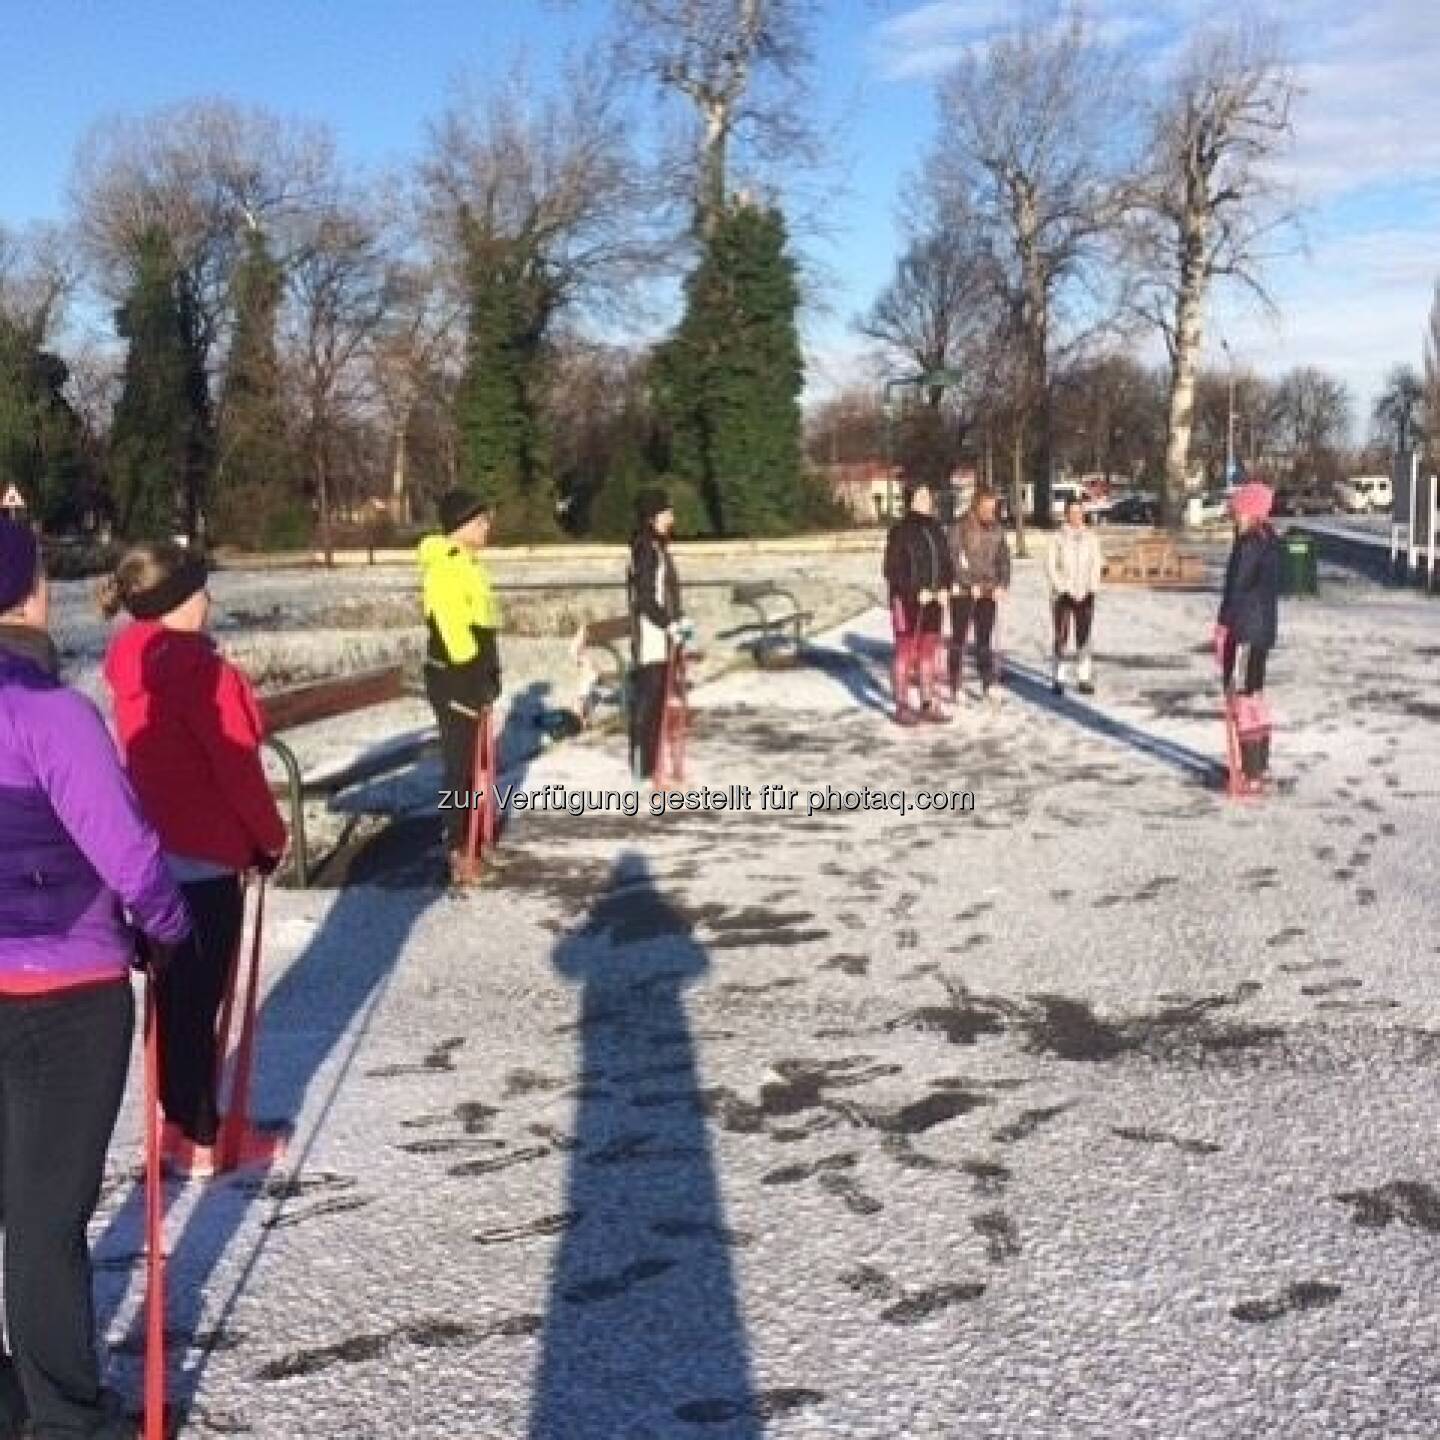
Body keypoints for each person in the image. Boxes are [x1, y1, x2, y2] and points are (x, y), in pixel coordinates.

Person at [0, 517, 191, 1440]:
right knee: (44, 1215)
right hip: (65, 992)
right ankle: (66, 1418)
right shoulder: (50, 715)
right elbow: (130, 855)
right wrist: (167, 930)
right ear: (27, 596)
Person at [99, 543, 287, 1177]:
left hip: (153, 858)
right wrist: (269, 838)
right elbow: (237, 769)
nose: (210, 599)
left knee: (173, 999)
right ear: (176, 602)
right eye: (201, 589)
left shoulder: (131, 663)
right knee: (198, 1001)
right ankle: (204, 1135)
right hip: (207, 855)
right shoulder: (206, 675)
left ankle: (177, 1123)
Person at [419, 490, 503, 887]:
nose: (488, 526)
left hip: (473, 675)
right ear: (462, 525)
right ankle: (456, 846)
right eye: (481, 520)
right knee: (459, 767)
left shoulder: (471, 564)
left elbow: (485, 623)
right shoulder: (446, 567)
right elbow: (455, 634)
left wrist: (492, 670)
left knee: (475, 766)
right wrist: (475, 675)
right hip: (454, 676)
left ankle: (474, 837)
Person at [1214, 480, 1282, 793]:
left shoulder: (1248, 543)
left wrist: (1223, 623)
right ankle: (1259, 764)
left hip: (1244, 629)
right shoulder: (1270, 539)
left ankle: (1251, 770)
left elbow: (1238, 587)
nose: (1233, 516)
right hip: (1263, 630)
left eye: (1237, 511)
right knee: (1255, 696)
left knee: (1243, 699)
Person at [627, 488, 688, 779]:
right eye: (667, 513)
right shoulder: (646, 550)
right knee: (650, 703)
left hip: (664, 638)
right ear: (652, 518)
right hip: (651, 639)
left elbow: (668, 594)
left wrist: (679, 620)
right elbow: (645, 598)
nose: (672, 518)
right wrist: (668, 623)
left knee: (660, 700)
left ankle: (656, 767)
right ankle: (646, 769)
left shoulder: (659, 549)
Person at [883, 480, 954, 724]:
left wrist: (946, 586)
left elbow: (946, 562)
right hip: (906, 600)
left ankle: (927, 701)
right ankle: (902, 704)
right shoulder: (900, 531)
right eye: (922, 497)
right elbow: (892, 570)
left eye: (929, 497)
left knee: (928, 652)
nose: (928, 501)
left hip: (934, 600)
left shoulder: (936, 529)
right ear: (911, 501)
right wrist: (914, 592)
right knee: (905, 651)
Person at [948, 486, 1011, 703]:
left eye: (993, 508)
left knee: (985, 640)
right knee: (960, 638)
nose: (990, 512)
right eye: (986, 507)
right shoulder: (960, 526)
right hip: (964, 592)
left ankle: (988, 683)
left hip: (988, 591)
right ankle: (956, 685)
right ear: (976, 505)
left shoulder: (997, 528)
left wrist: (1002, 583)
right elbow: (954, 559)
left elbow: (1004, 558)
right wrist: (968, 583)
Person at [1045, 498, 1104, 696]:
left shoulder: (1091, 537)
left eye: (1079, 513)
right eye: (1072, 513)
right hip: (1063, 594)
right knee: (1061, 636)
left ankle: (1084, 677)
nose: (1076, 517)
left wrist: (1091, 588)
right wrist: (1062, 588)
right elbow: (1051, 565)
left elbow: (1097, 564)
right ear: (1066, 514)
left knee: (1084, 636)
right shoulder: (1057, 537)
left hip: (1085, 592)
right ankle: (1058, 678)